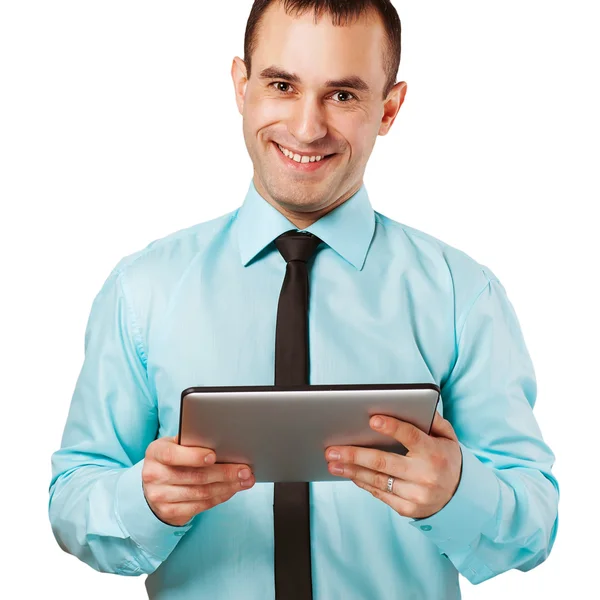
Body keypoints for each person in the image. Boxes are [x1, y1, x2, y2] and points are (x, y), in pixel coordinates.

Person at [48, 1, 559, 598]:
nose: (308, 127)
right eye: (282, 85)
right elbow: (73, 500)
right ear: (242, 86)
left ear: (389, 108)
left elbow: (536, 522)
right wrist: (143, 500)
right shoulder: (142, 291)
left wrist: (455, 494)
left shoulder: (462, 295)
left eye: (343, 95)